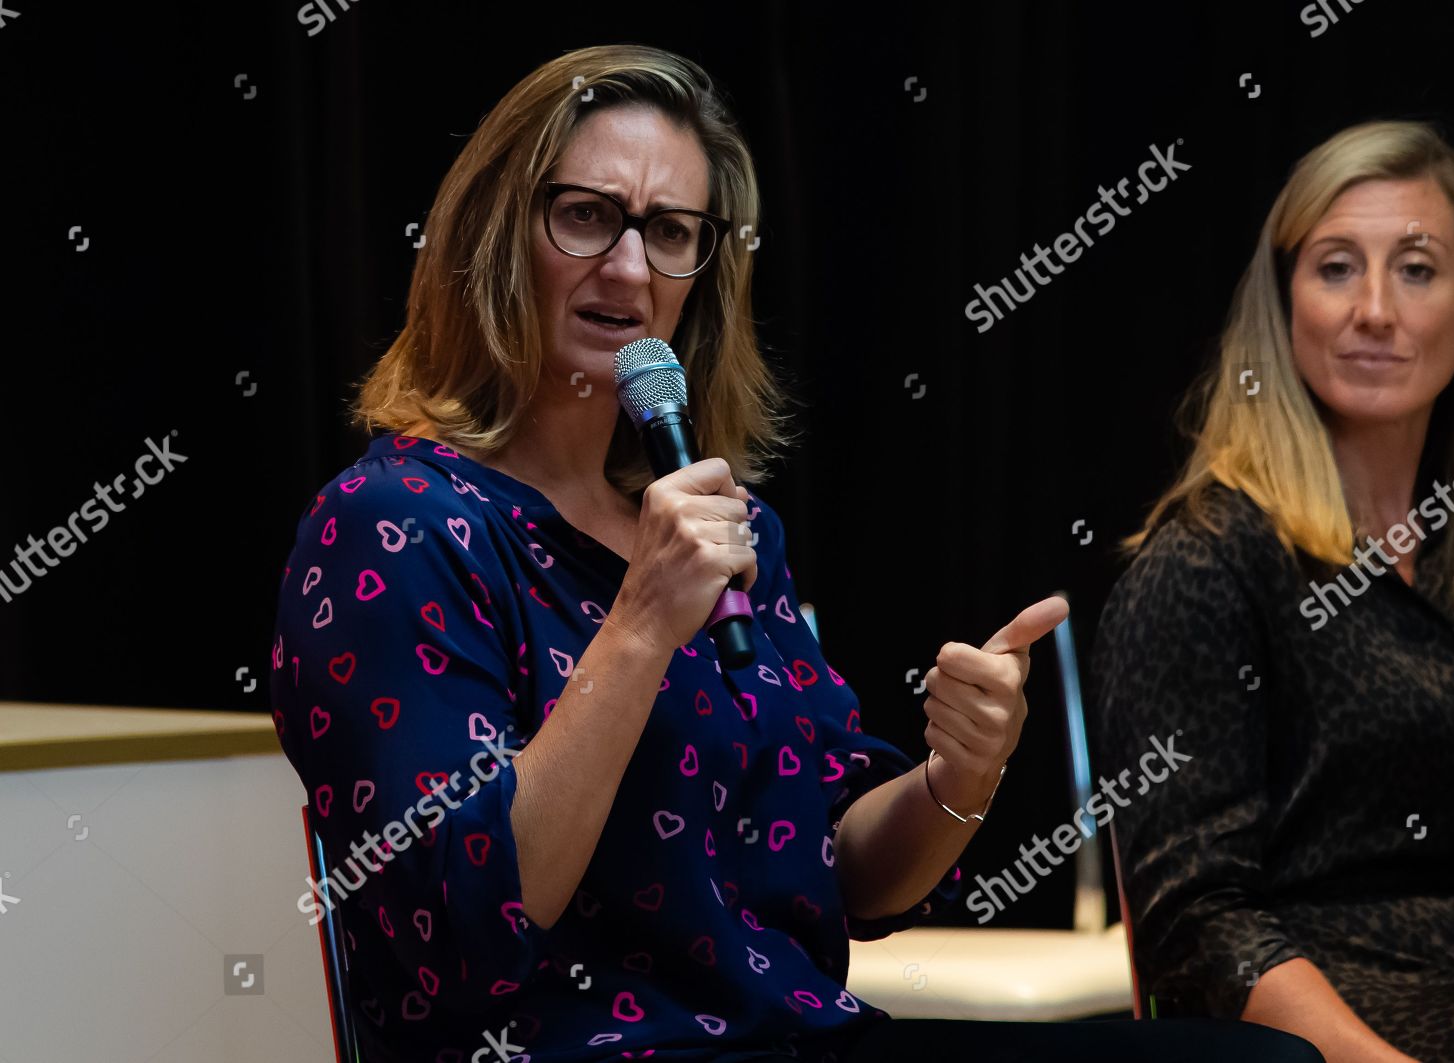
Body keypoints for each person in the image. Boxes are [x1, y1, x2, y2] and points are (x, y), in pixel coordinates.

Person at [270, 43, 1322, 1063]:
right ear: (498, 234)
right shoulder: (394, 523)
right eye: (587, 216)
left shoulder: (722, 528)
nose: (630, 266)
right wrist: (638, 626)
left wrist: (961, 774)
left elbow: (849, 874)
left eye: (671, 231)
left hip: (800, 1035)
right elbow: (458, 935)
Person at [1090, 119, 1454, 1063]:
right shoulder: (1208, 565)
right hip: (1336, 1029)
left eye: (1418, 269)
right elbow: (1197, 931)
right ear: (1285, 302)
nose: (1375, 311)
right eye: (1336, 267)